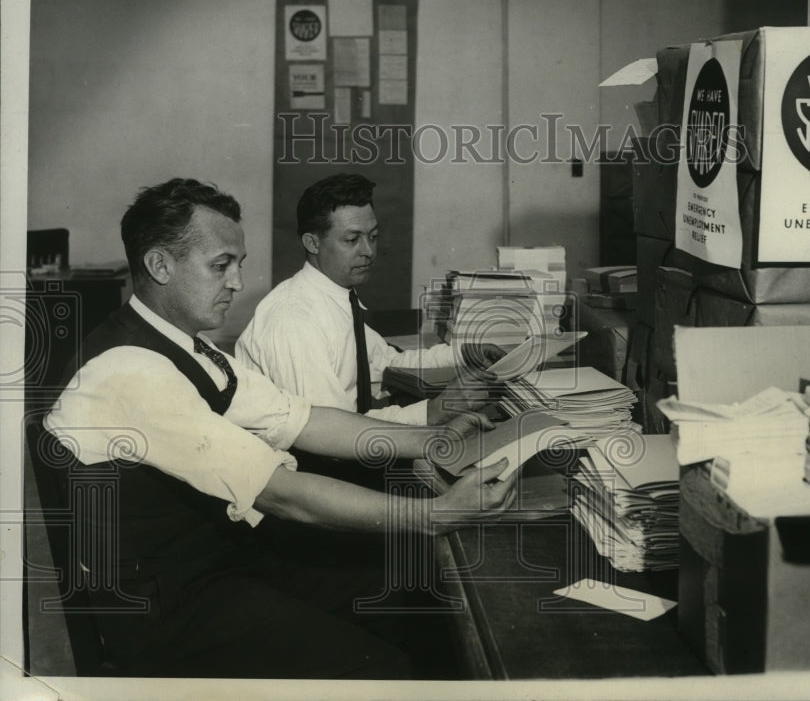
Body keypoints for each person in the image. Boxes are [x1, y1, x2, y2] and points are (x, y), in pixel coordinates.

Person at [40, 178, 517, 679]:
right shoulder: (129, 372)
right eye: (221, 265)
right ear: (160, 265)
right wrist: (436, 513)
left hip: (219, 559)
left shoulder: (192, 347)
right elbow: (281, 493)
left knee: (407, 592)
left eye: (238, 265)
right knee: (382, 668)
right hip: (171, 608)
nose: (238, 283)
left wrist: (438, 436)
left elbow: (305, 419)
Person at [236, 173, 502, 426]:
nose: (369, 251)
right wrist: (434, 412)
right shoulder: (295, 318)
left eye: (373, 237)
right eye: (352, 240)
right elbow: (332, 434)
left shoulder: (337, 296)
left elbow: (387, 360)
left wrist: (465, 354)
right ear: (312, 243)